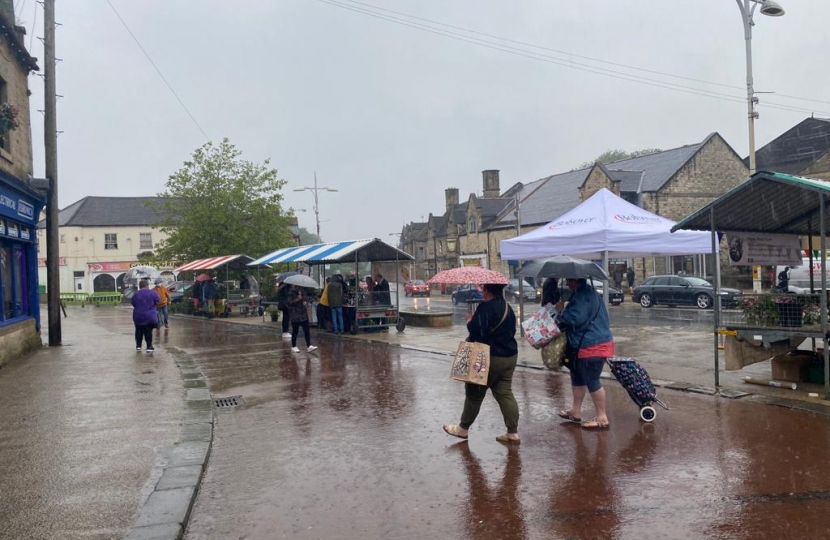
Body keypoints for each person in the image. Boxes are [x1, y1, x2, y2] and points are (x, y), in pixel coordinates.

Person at [443, 283, 520, 443]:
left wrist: (470, 321)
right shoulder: (508, 307)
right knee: (505, 393)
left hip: (489, 357)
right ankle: (512, 433)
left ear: (486, 291)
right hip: (510, 356)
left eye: (483, 288)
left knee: (474, 394)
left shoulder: (485, 308)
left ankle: (463, 429)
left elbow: (478, 331)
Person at [555, 278, 614, 430]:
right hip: (586, 344)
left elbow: (575, 318)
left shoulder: (583, 296)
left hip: (592, 345)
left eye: (570, 281)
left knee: (592, 380)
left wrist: (561, 311)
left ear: (577, 281)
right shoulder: (587, 293)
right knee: (578, 377)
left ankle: (602, 417)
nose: (568, 284)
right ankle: (575, 411)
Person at [131, 279, 160, 353]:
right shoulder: (152, 293)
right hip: (149, 316)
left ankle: (138, 346)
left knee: (138, 330)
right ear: (147, 285)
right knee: (148, 330)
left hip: (138, 316)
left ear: (140, 286)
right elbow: (158, 301)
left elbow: (133, 303)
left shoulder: (136, 294)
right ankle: (149, 346)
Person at [288, 286, 317, 353]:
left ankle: (309, 345)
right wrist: (297, 299)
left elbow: (306, 298)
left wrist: (305, 301)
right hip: (295, 314)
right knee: (295, 331)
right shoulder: (291, 292)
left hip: (303, 313)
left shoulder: (303, 290)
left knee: (306, 330)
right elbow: (289, 303)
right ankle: (294, 345)